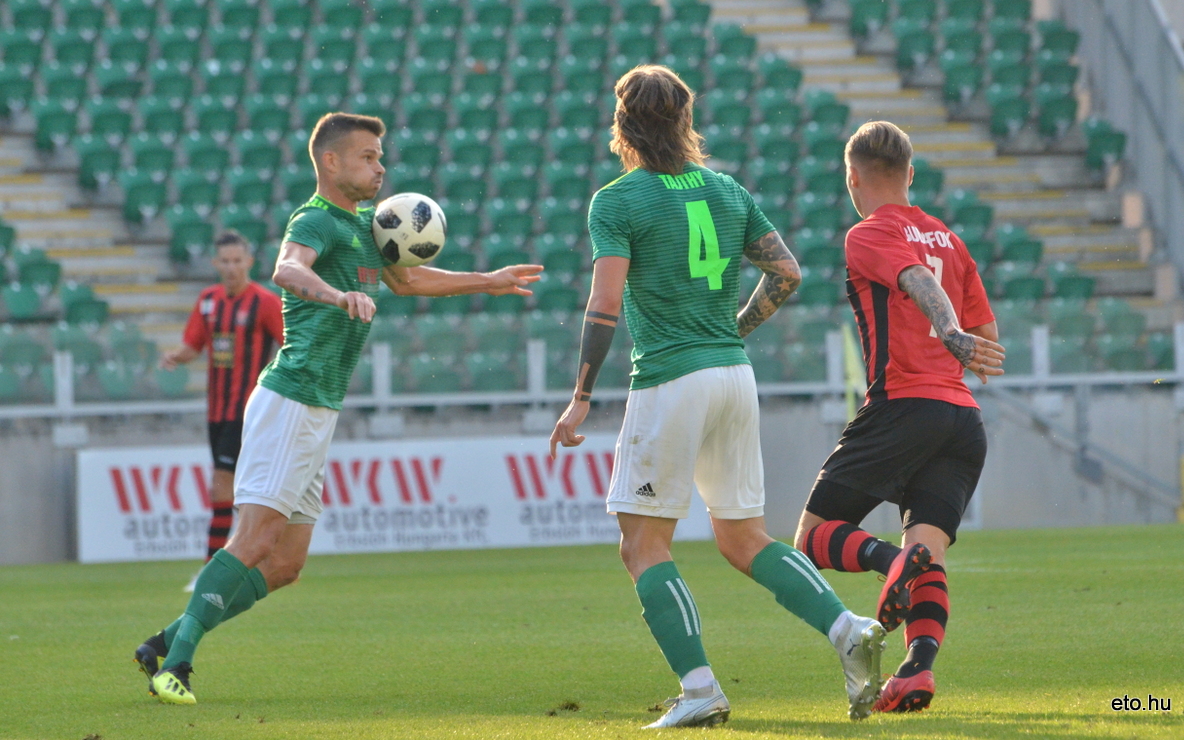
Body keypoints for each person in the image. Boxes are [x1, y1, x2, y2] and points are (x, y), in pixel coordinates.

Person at [133, 112, 542, 705]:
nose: (381, 167)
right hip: (290, 401)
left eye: (381, 157)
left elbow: (407, 282)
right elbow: (287, 268)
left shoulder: (366, 230)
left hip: (318, 409)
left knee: (286, 563)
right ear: (331, 162)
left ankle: (162, 641)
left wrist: (489, 279)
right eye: (370, 157)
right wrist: (334, 293)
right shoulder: (316, 219)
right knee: (253, 539)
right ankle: (179, 666)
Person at [549, 65, 887, 728]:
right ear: (684, 121)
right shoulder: (727, 190)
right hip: (733, 374)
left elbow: (604, 302)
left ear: (623, 126)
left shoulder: (617, 200)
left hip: (671, 378)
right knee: (743, 536)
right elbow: (786, 271)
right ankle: (848, 628)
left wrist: (581, 393)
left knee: (642, 544)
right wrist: (731, 331)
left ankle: (700, 686)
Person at [792, 121, 1005, 714]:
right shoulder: (951, 240)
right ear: (911, 175)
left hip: (901, 406)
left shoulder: (867, 233)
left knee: (809, 540)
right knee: (930, 552)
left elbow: (912, 279)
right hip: (962, 418)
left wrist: (946, 330)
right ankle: (915, 672)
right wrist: (960, 338)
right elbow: (989, 338)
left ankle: (890, 563)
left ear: (852, 177)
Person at [160, 230, 284, 593]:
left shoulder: (264, 302)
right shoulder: (208, 301)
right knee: (239, 492)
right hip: (216, 411)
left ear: (249, 262)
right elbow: (192, 345)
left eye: (237, 260)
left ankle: (211, 571)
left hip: (250, 412)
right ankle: (244, 561)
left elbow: (287, 344)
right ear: (215, 264)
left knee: (223, 487)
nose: (231, 267)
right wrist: (175, 356)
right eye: (225, 261)